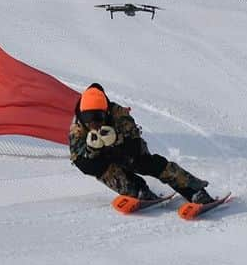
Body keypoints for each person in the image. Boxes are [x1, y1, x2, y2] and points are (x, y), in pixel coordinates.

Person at [69, 83, 214, 204]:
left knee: (144, 163)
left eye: (98, 118)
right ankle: (135, 189)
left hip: (126, 150)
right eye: (88, 118)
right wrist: (91, 150)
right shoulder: (78, 126)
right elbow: (78, 158)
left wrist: (116, 140)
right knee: (91, 165)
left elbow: (135, 143)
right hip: (101, 156)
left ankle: (194, 190)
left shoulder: (118, 114)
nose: (94, 124)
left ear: (106, 112)